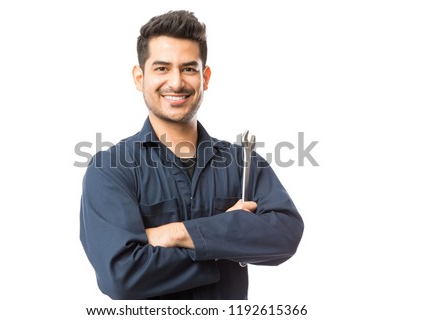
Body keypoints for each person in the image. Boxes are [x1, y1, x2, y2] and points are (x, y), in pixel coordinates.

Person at [80, 10, 304, 300]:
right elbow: (122, 276)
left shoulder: (243, 162)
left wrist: (173, 233)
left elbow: (285, 236)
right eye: (162, 68)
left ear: (205, 77)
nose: (176, 83)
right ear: (139, 77)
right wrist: (226, 237)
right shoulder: (110, 169)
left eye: (188, 68)